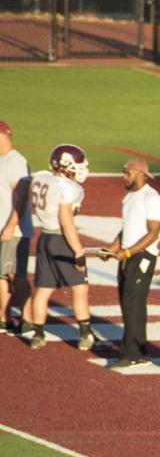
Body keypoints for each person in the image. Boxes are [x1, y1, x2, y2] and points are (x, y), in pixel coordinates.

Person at [21, 144, 93, 351]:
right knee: (80, 287)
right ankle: (85, 334)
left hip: (44, 237)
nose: (79, 168)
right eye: (76, 164)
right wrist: (78, 251)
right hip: (61, 239)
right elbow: (66, 222)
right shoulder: (71, 188)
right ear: (65, 165)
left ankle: (38, 334)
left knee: (43, 290)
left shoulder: (42, 177)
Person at [98, 158, 160, 368]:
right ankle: (140, 351)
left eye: (126, 173)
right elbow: (127, 228)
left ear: (138, 173)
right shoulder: (129, 198)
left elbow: (153, 233)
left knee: (132, 304)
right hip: (128, 256)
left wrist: (127, 252)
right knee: (130, 304)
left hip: (142, 257)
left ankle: (131, 353)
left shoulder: (152, 199)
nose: (123, 176)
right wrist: (113, 247)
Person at [0, 121, 29, 336]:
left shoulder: (16, 162)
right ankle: (4, 317)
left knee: (15, 274)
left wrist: (11, 226)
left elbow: (22, 197)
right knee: (1, 275)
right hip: (2, 228)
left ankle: (28, 319)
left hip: (14, 231)